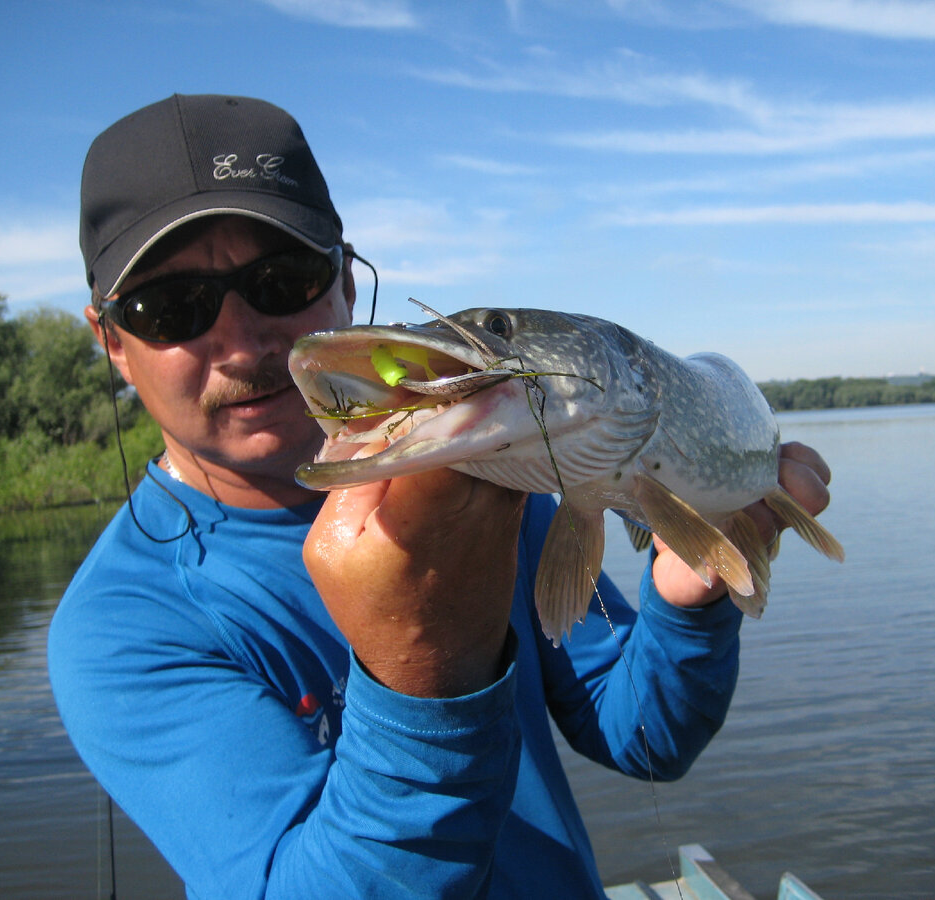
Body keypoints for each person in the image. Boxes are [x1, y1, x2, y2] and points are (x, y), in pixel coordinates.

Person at [48, 94, 835, 900]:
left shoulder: (493, 477)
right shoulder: (121, 632)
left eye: (284, 280)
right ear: (112, 340)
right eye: (171, 308)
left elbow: (644, 734)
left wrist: (685, 598)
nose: (245, 342)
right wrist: (425, 677)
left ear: (346, 286)